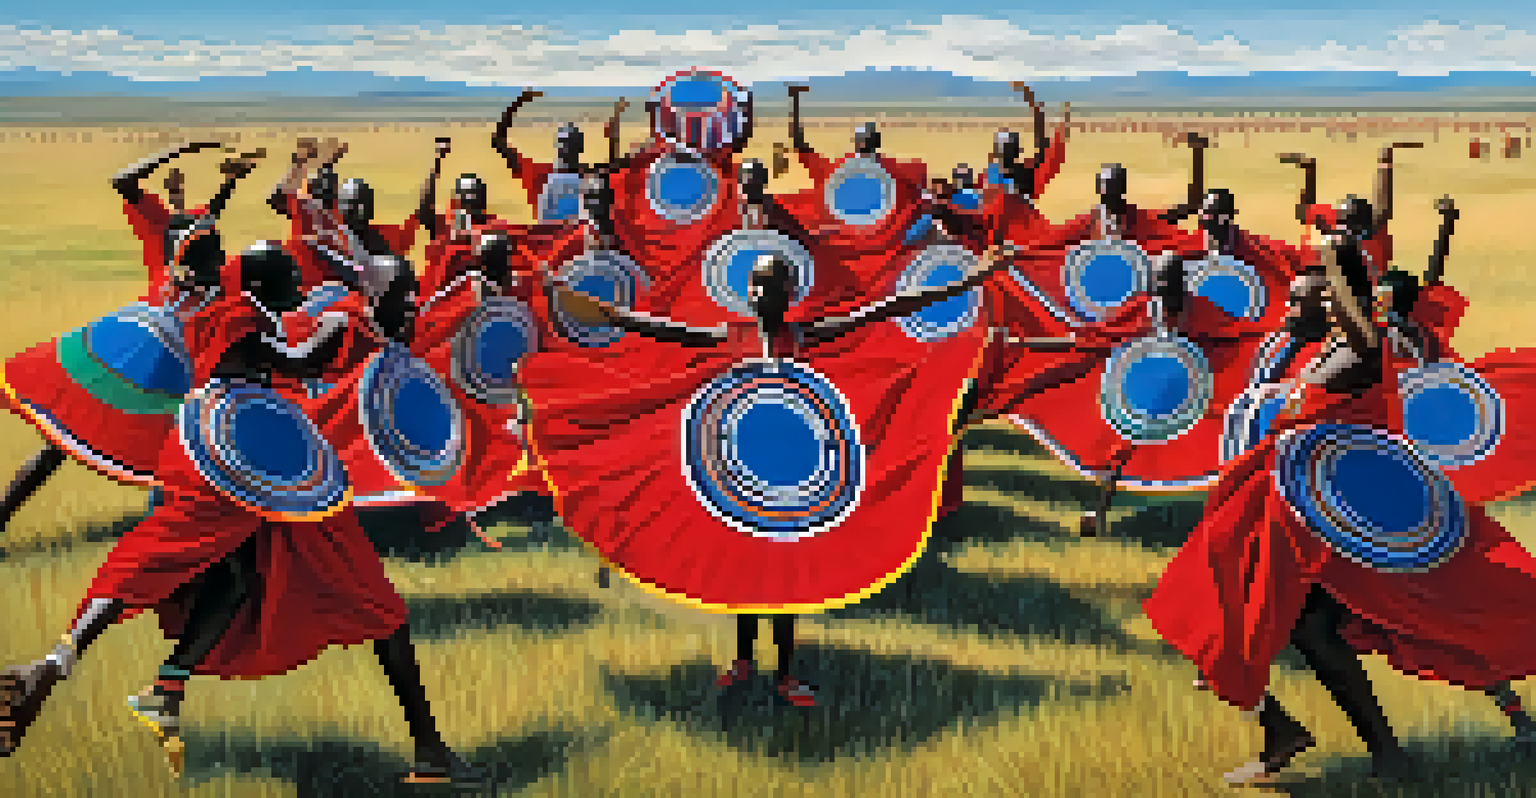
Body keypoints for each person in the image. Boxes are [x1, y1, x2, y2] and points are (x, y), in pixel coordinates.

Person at [0, 241, 486, 785]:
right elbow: (297, 360)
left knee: (229, 578)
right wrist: (334, 334)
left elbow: (312, 357)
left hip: (258, 464)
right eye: (290, 283)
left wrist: (358, 325)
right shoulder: (234, 318)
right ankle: (48, 669)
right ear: (260, 288)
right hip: (234, 466)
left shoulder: (263, 314)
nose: (300, 292)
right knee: (374, 610)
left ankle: (163, 690)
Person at [525, 242, 1008, 707]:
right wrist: (577, 304)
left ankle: (784, 673)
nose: (762, 295)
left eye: (772, 286)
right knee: (743, 567)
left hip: (796, 478)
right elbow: (652, 328)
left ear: (789, 293)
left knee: (783, 577)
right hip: (735, 473)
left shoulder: (805, 336)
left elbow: (886, 309)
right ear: (746, 291)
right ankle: (741, 660)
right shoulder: (729, 336)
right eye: (757, 285)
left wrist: (971, 281)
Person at [1143, 225, 1536, 785]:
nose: (1289, 309)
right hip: (1309, 523)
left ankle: (1393, 742)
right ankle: (1329, 740)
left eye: (1305, 300)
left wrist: (1339, 261)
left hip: (1358, 520)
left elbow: (1345, 380)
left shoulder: (1361, 350)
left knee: (1430, 615)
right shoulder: (1310, 353)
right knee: (1276, 623)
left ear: (1335, 302)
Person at [0, 150, 265, 535]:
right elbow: (131, 183)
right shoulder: (203, 282)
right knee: (74, 444)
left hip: (141, 362)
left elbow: (202, 222)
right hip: (147, 366)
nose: (220, 253)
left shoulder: (181, 271)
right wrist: (177, 155)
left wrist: (229, 181)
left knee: (64, 446)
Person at [492, 89, 599, 221]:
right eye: (564, 143)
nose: (566, 148)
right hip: (551, 239)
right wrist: (518, 103)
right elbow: (498, 141)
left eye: (569, 143)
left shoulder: (589, 176)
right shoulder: (539, 174)